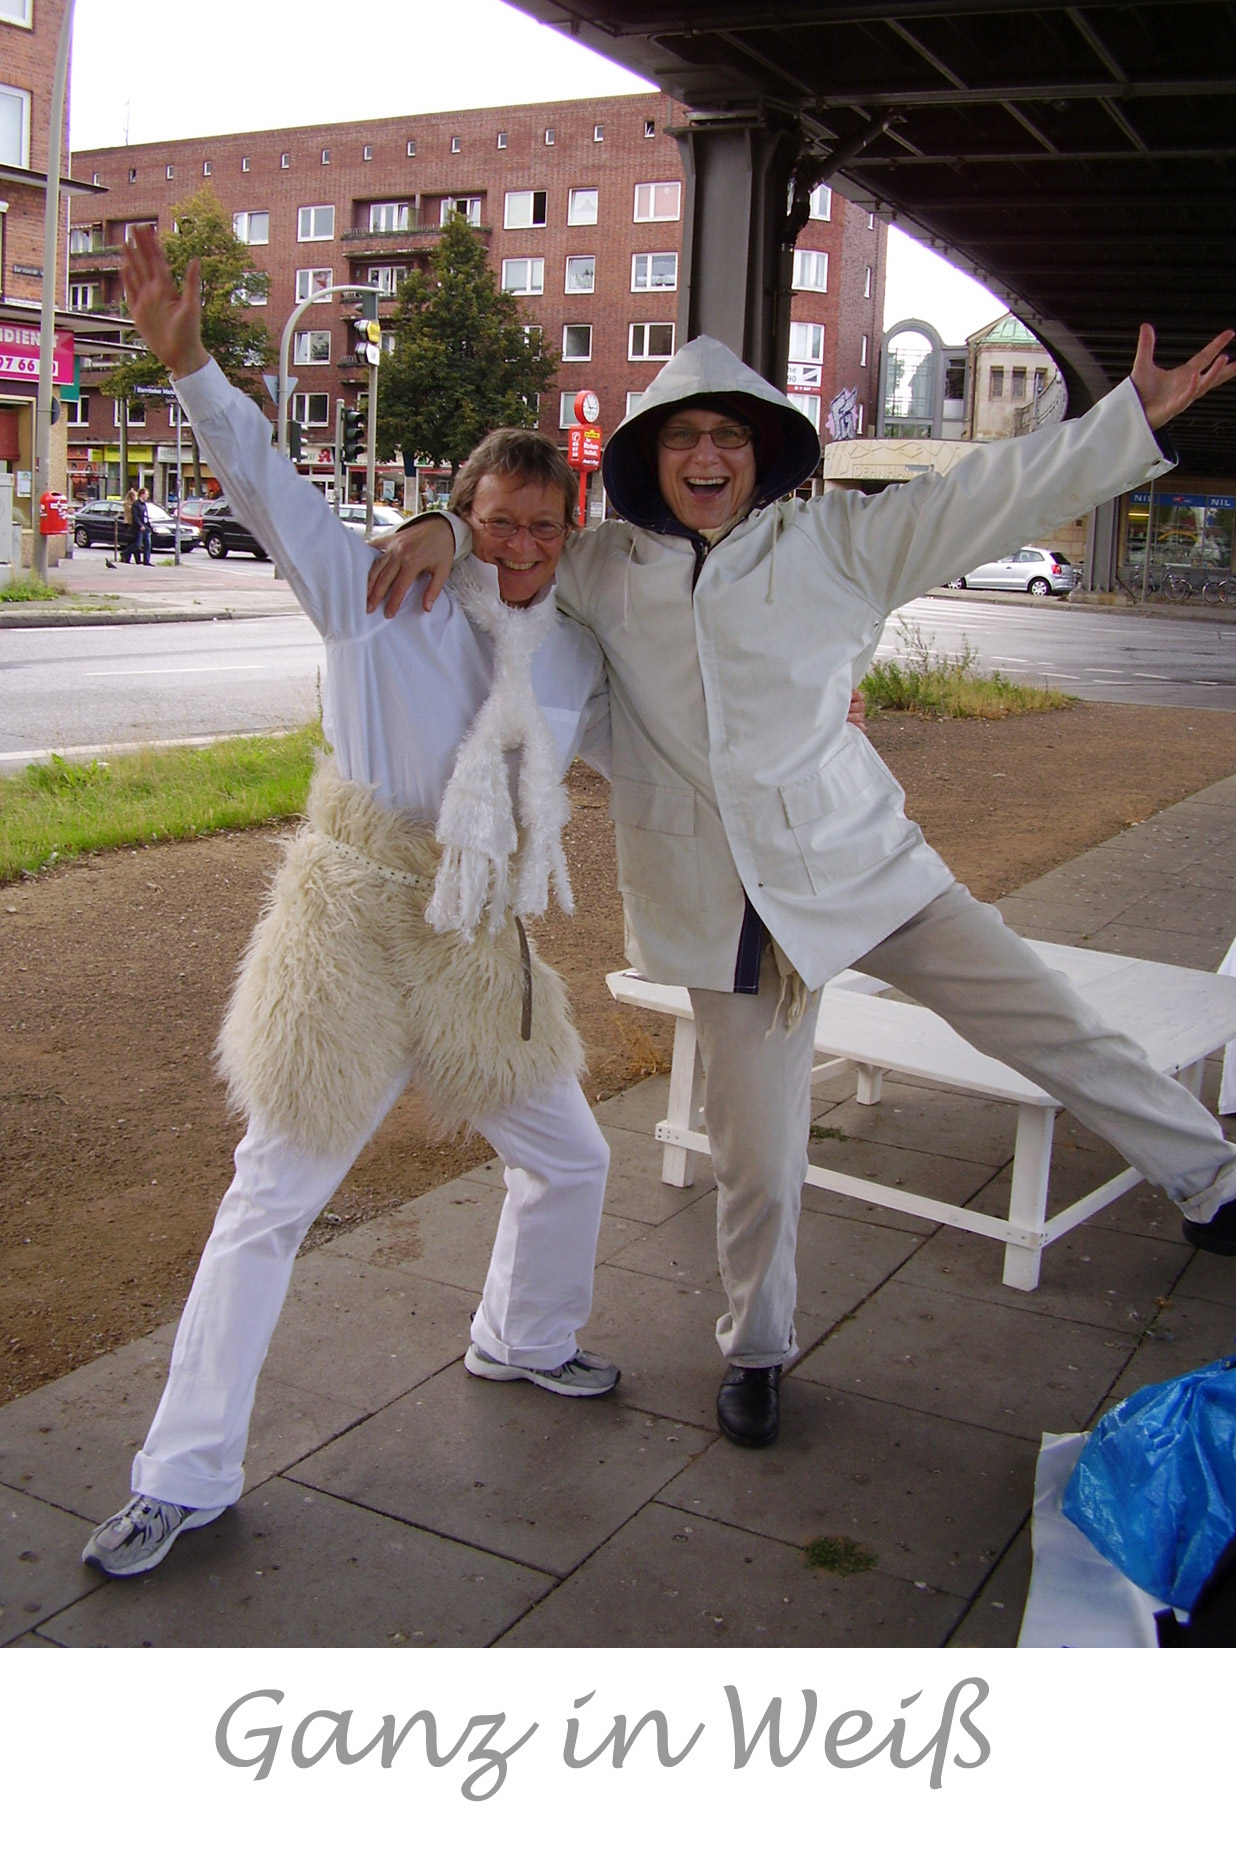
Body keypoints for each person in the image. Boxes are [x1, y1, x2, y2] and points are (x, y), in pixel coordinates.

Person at [369, 323, 1236, 1450]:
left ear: (764, 448)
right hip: (725, 906)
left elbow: (992, 491)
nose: (708, 454)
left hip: (866, 862)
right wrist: (439, 522)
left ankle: (1208, 1179)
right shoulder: (606, 572)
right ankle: (758, 1352)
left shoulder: (841, 544)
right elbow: (512, 546)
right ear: (652, 459)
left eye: (729, 432)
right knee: (761, 1157)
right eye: (684, 437)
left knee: (1049, 1020)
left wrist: (1130, 416)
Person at [81, 226, 618, 1580]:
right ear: (458, 512)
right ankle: (181, 1477)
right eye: (491, 518)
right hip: (361, 932)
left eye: (539, 529)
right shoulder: (378, 592)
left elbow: (662, 691)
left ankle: (523, 1338)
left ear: (569, 538)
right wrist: (191, 361)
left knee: (573, 1156)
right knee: (271, 1195)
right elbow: (266, 484)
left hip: (479, 946)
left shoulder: (573, 654)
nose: (513, 546)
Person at [132, 485, 153, 564]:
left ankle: (146, 561)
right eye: (146, 494)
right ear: (142, 494)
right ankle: (126, 553)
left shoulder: (144, 505)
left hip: (146, 527)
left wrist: (149, 527)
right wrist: (140, 525)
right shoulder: (136, 504)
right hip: (139, 527)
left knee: (148, 544)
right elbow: (135, 516)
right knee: (138, 544)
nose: (147, 496)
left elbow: (146, 517)